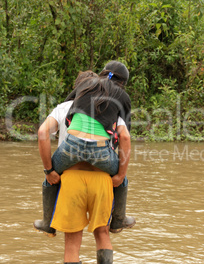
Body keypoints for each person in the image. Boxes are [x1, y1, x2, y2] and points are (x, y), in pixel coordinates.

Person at [34, 66, 135, 236]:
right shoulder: (118, 98)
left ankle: (47, 223)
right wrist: (120, 175)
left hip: (71, 151)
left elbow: (43, 132)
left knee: (48, 178)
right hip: (100, 159)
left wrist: (50, 171)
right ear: (123, 83)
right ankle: (118, 219)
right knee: (121, 178)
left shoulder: (78, 95)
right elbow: (125, 137)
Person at [50, 167, 115, 264]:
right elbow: (125, 148)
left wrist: (49, 171)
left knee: (71, 241)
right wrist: (121, 175)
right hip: (101, 177)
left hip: (72, 178)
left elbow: (43, 147)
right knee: (102, 233)